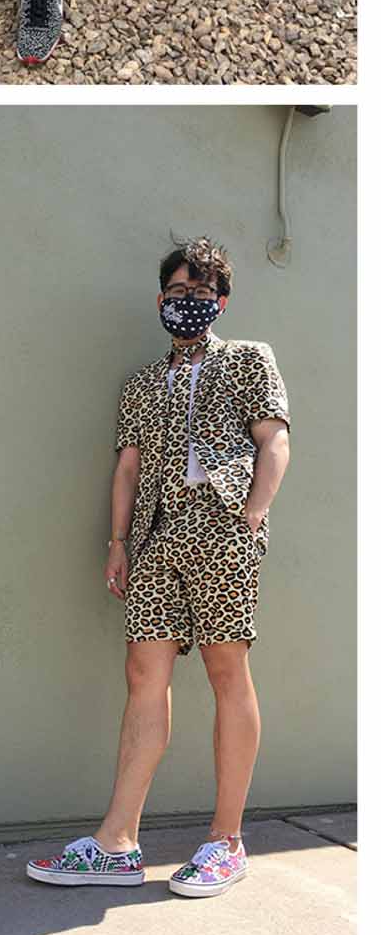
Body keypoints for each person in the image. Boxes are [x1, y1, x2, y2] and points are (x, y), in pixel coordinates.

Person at [27, 236, 292, 898]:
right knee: (144, 673)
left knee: (226, 669)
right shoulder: (143, 382)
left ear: (220, 301)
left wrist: (251, 517)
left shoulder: (249, 360)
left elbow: (275, 439)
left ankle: (225, 841)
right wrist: (118, 542)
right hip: (154, 538)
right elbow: (128, 467)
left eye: (200, 295)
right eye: (177, 294)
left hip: (220, 527)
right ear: (160, 300)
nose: (187, 305)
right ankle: (117, 843)